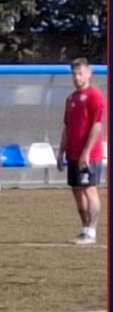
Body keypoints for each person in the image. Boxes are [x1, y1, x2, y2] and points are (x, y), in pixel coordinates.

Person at [58, 57, 105, 246]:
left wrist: (86, 152)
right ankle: (85, 229)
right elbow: (67, 127)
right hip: (72, 154)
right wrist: (61, 151)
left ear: (89, 74)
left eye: (80, 73)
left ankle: (92, 231)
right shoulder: (71, 98)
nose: (77, 77)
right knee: (77, 190)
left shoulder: (95, 96)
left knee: (89, 189)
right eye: (74, 74)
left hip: (89, 155)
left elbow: (97, 126)